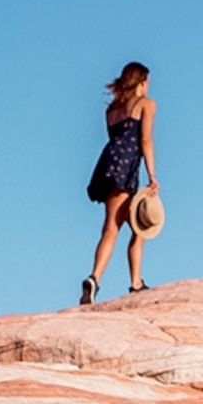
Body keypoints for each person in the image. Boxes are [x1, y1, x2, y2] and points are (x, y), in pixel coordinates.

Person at [81, 62, 160, 304]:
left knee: (121, 226)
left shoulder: (112, 110)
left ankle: (98, 279)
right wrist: (153, 176)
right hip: (126, 167)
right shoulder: (146, 104)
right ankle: (131, 282)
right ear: (141, 82)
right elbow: (145, 140)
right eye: (147, 82)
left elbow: (116, 139)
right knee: (134, 226)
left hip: (108, 164)